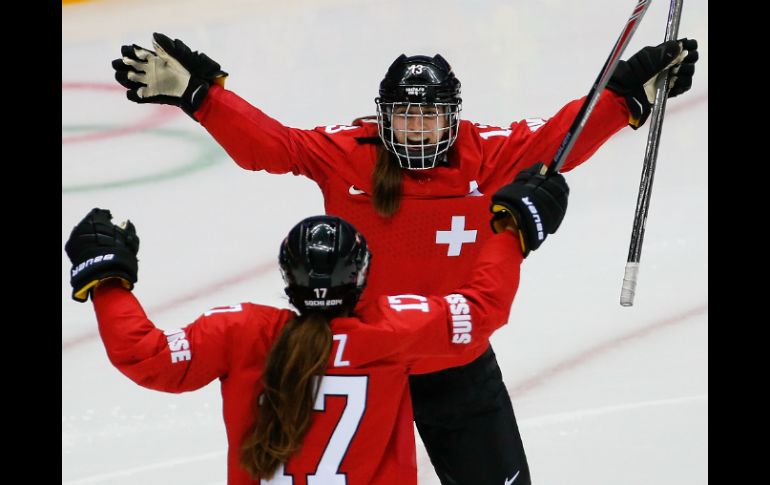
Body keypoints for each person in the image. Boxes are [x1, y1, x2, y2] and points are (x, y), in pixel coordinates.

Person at [111, 33, 698, 484]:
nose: (417, 130)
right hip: (369, 365)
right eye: (405, 117)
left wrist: (623, 98)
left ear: (454, 116)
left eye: (430, 117)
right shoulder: (351, 151)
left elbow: (556, 140)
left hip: (454, 361)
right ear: (382, 117)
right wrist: (202, 96)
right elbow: (275, 146)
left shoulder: (484, 152)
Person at [64, 165, 569, 484]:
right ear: (363, 274)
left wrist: (107, 279)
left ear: (287, 274)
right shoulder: (395, 331)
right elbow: (480, 310)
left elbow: (145, 356)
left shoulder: (241, 333)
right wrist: (511, 230)